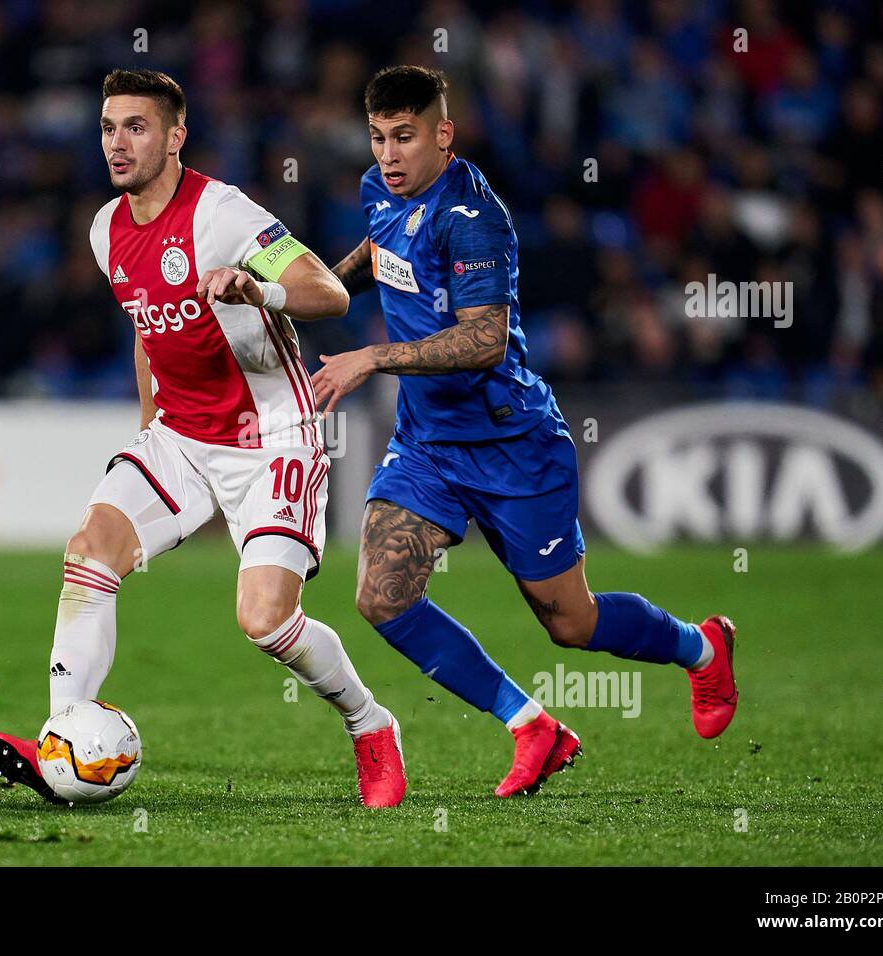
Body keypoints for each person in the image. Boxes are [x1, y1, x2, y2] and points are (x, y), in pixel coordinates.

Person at [0, 69, 406, 808]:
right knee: (89, 552)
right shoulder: (104, 229)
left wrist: (258, 288)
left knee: (265, 622)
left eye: (136, 127)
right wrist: (149, 429)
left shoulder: (225, 215)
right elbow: (147, 335)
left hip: (270, 435)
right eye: (109, 127)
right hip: (180, 436)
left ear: (176, 136)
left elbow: (329, 294)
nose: (118, 142)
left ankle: (371, 725)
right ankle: (60, 740)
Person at [314, 66, 738, 798]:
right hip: (427, 445)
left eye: (405, 137)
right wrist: (301, 290)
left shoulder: (475, 218)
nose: (388, 154)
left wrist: (372, 357)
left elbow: (483, 339)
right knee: (382, 594)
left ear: (443, 135)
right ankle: (531, 726)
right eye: (379, 137)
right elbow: (374, 256)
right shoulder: (378, 190)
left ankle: (703, 648)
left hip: (513, 446)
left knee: (570, 623)